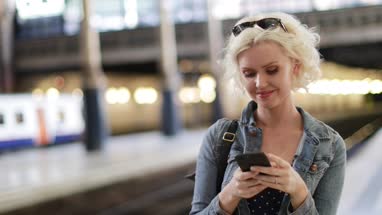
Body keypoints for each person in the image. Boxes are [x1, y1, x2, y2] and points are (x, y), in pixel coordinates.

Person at [190, 12, 346, 215]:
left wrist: (299, 193)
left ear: (295, 68)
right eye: (249, 73)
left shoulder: (329, 145)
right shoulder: (219, 137)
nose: (260, 83)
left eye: (272, 70)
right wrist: (229, 195)